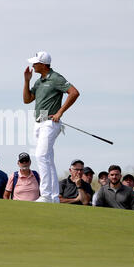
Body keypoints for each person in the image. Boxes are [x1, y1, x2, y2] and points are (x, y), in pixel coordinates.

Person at [23, 51, 80, 203]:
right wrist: (27, 81)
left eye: (35, 63)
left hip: (50, 123)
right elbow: (27, 100)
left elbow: (74, 93)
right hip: (38, 123)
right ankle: (54, 197)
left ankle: (46, 195)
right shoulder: (38, 81)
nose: (33, 65)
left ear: (43, 64)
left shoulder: (55, 78)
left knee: (41, 156)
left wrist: (60, 112)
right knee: (48, 159)